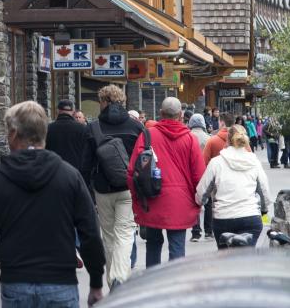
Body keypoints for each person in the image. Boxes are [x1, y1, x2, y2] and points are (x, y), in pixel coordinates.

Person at [0, 101, 105, 307]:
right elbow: (90, 233)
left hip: (17, 280)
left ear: (13, 134)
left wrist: (7, 252)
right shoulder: (69, 176)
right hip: (60, 280)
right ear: (43, 132)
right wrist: (96, 282)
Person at [127, 97, 204, 268]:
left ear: (161, 113)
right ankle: (175, 286)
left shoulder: (147, 135)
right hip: (181, 202)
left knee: (153, 244)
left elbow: (132, 171)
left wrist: (137, 199)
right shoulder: (190, 139)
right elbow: (199, 176)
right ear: (181, 115)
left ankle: (152, 283)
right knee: (177, 247)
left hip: (152, 198)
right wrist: (199, 202)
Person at [88, 84, 144, 288]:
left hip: (102, 188)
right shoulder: (136, 127)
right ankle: (120, 277)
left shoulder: (93, 127)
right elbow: (145, 158)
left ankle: (114, 279)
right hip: (129, 187)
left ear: (103, 102)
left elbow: (86, 163)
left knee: (109, 235)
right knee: (125, 232)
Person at [195, 125, 271, 248]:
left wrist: (199, 202)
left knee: (225, 259)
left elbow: (202, 192)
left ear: (227, 140)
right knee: (247, 257)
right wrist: (263, 209)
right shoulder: (254, 162)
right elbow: (263, 189)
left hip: (223, 218)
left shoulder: (216, 163)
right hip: (250, 217)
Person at [46, 99, 93, 185]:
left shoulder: (49, 129)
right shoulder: (82, 129)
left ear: (57, 111)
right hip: (77, 175)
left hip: (54, 175)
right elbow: (88, 154)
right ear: (73, 112)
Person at [187, 113, 211, 242]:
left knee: (194, 202)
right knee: (209, 203)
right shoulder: (209, 138)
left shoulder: (187, 137)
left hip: (191, 174)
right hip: (207, 173)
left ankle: (195, 232)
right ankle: (209, 231)